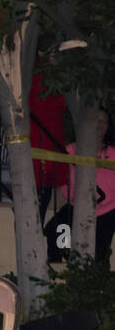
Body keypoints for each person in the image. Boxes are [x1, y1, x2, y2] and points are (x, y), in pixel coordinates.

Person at [45, 108, 115, 263]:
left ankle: (98, 280)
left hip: (108, 209)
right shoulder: (71, 150)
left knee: (100, 250)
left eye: (104, 121)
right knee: (55, 230)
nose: (100, 125)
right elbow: (62, 178)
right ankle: (63, 263)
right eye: (96, 120)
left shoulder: (113, 152)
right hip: (77, 205)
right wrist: (72, 197)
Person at [30, 68, 68, 223]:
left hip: (48, 134)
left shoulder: (52, 76)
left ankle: (37, 220)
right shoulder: (39, 78)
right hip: (42, 136)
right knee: (42, 183)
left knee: (45, 185)